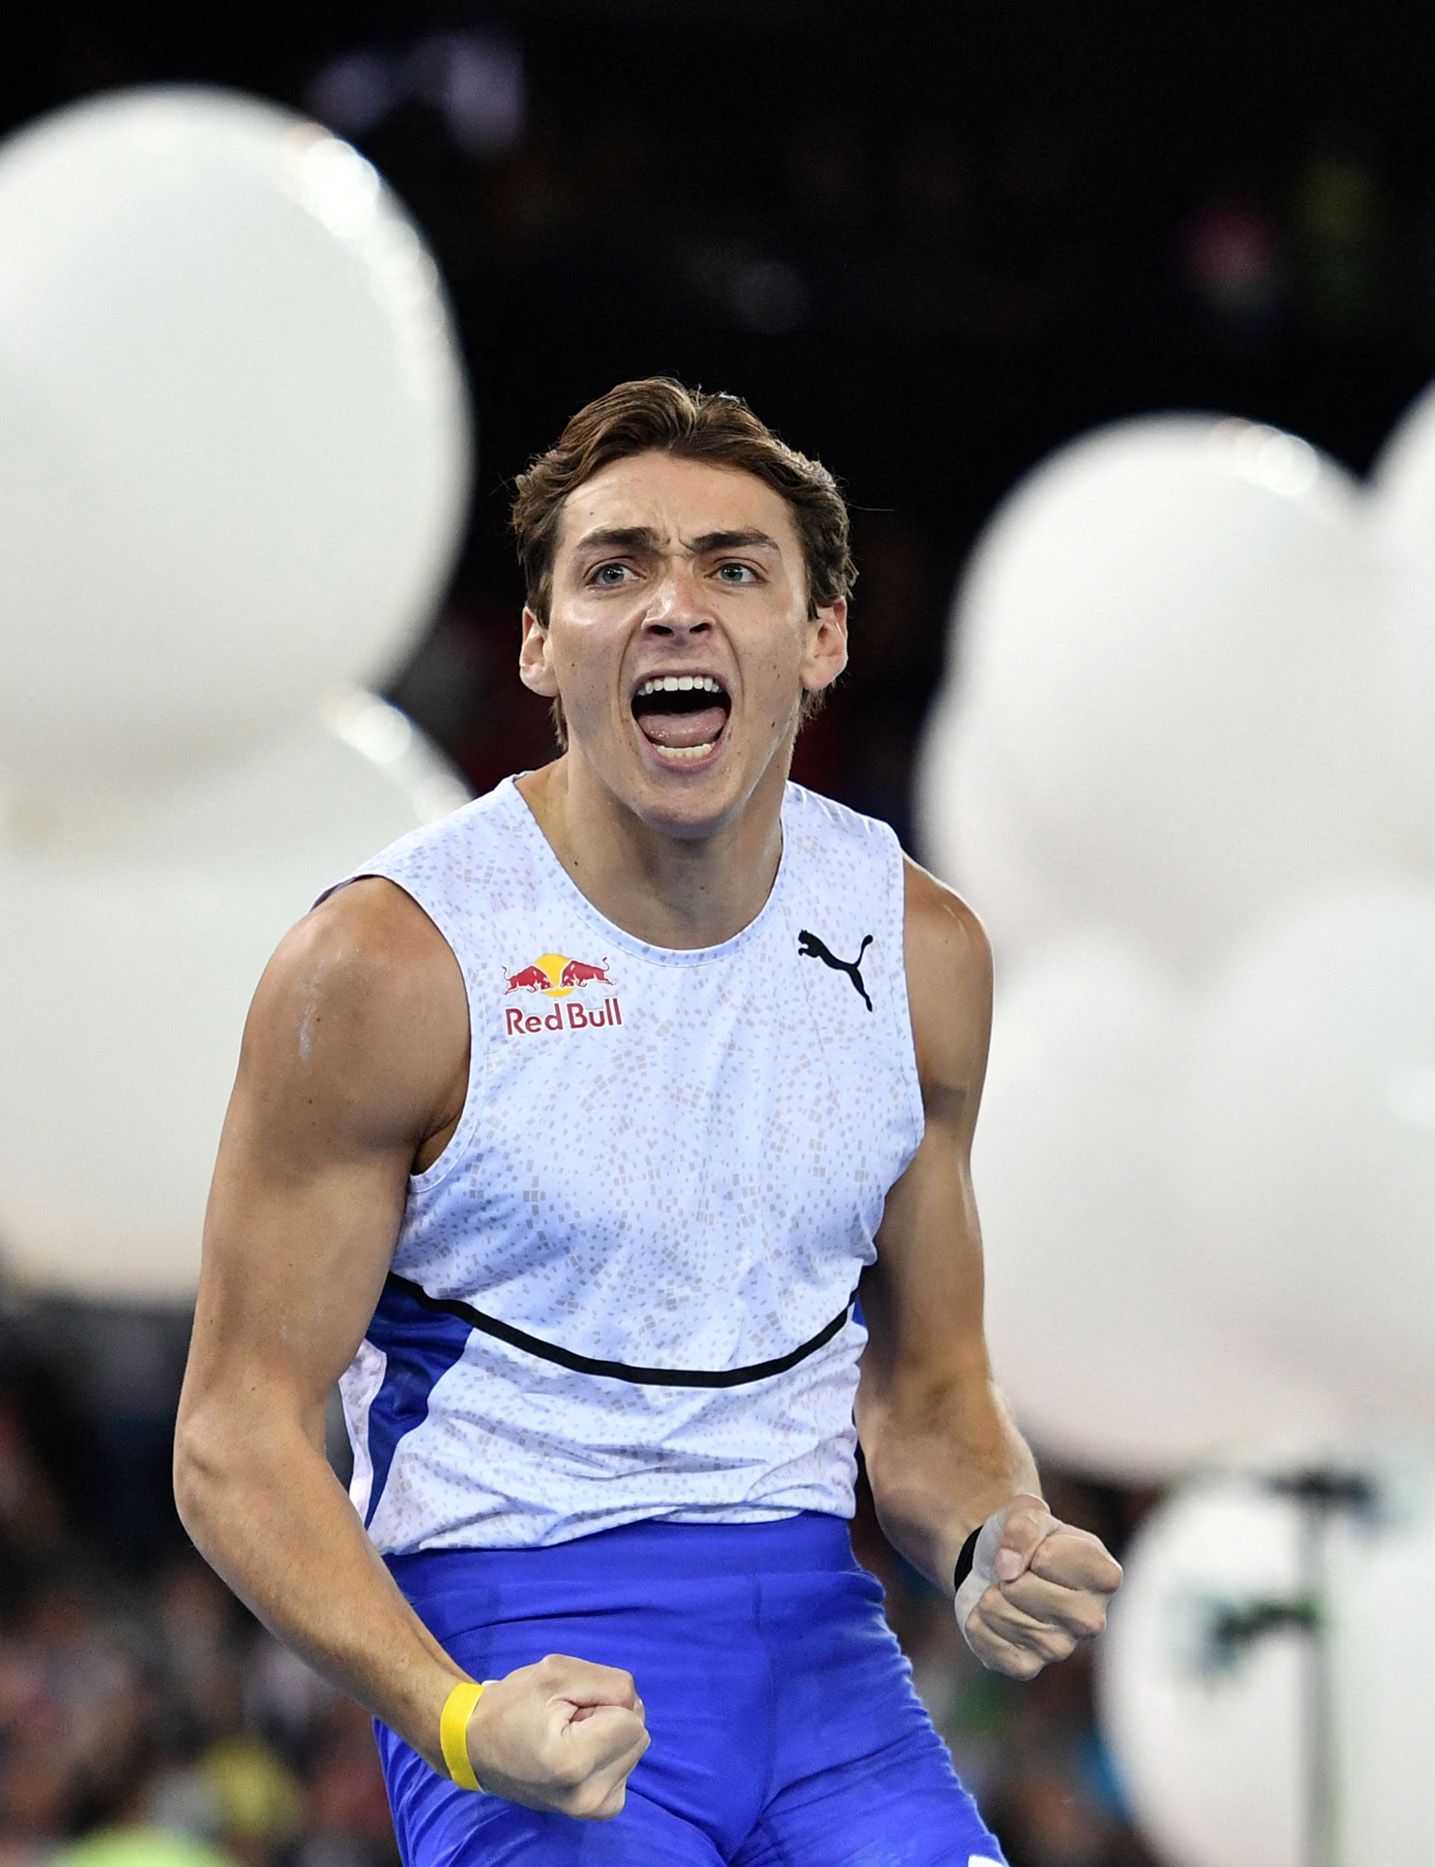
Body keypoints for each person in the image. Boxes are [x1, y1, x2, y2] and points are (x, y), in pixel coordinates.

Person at [174, 378, 1121, 1861]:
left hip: (824, 1656)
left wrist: (991, 1533)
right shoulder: (388, 965)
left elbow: (931, 1395)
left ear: (823, 639)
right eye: (616, 568)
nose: (675, 607)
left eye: (734, 567)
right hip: (520, 1642)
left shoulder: (920, 950)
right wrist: (455, 1717)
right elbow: (235, 1434)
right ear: (543, 647)